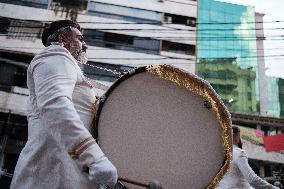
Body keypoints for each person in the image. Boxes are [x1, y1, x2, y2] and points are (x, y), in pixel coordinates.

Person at [11, 20, 118, 189]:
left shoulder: (67, 66)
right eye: (80, 39)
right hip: (49, 177)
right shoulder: (56, 55)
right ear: (62, 39)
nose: (85, 45)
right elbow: (55, 104)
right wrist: (95, 158)